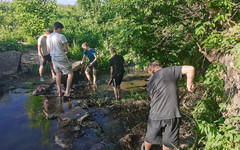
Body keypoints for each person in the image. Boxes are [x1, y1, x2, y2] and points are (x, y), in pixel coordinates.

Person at [143, 61, 195, 150]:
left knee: (150, 138)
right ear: (160, 67)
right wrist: (189, 84)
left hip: (155, 115)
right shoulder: (169, 71)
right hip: (172, 114)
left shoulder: (150, 83)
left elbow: (153, 99)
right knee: (168, 142)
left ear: (152, 72)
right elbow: (190, 68)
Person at [47, 22, 74, 97]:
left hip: (53, 58)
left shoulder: (49, 37)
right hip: (61, 58)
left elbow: (48, 50)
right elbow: (66, 49)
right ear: (58, 29)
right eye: (61, 29)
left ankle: (60, 92)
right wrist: (66, 52)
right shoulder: (61, 36)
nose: (61, 31)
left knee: (58, 74)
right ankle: (67, 92)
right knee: (70, 73)